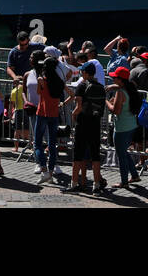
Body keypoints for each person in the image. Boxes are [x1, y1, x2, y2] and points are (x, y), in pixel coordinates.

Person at [66, 62, 106, 194]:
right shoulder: (101, 87)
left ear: (86, 73)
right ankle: (96, 185)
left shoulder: (82, 86)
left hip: (83, 123)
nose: (82, 74)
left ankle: (74, 183)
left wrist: (73, 115)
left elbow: (78, 107)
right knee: (95, 155)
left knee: (78, 154)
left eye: (82, 72)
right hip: (95, 123)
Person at [106, 66, 140, 188]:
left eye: (115, 77)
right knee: (124, 152)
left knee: (121, 156)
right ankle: (135, 176)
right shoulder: (130, 89)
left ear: (120, 80)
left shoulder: (120, 92)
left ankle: (124, 181)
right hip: (131, 125)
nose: (113, 79)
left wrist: (107, 102)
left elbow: (116, 111)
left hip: (121, 128)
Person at [32, 55, 63, 183]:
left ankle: (44, 169)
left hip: (42, 113)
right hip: (54, 114)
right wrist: (63, 103)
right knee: (52, 144)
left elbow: (39, 93)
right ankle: (50, 172)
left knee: (37, 143)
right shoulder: (59, 81)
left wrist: (40, 81)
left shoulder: (42, 80)